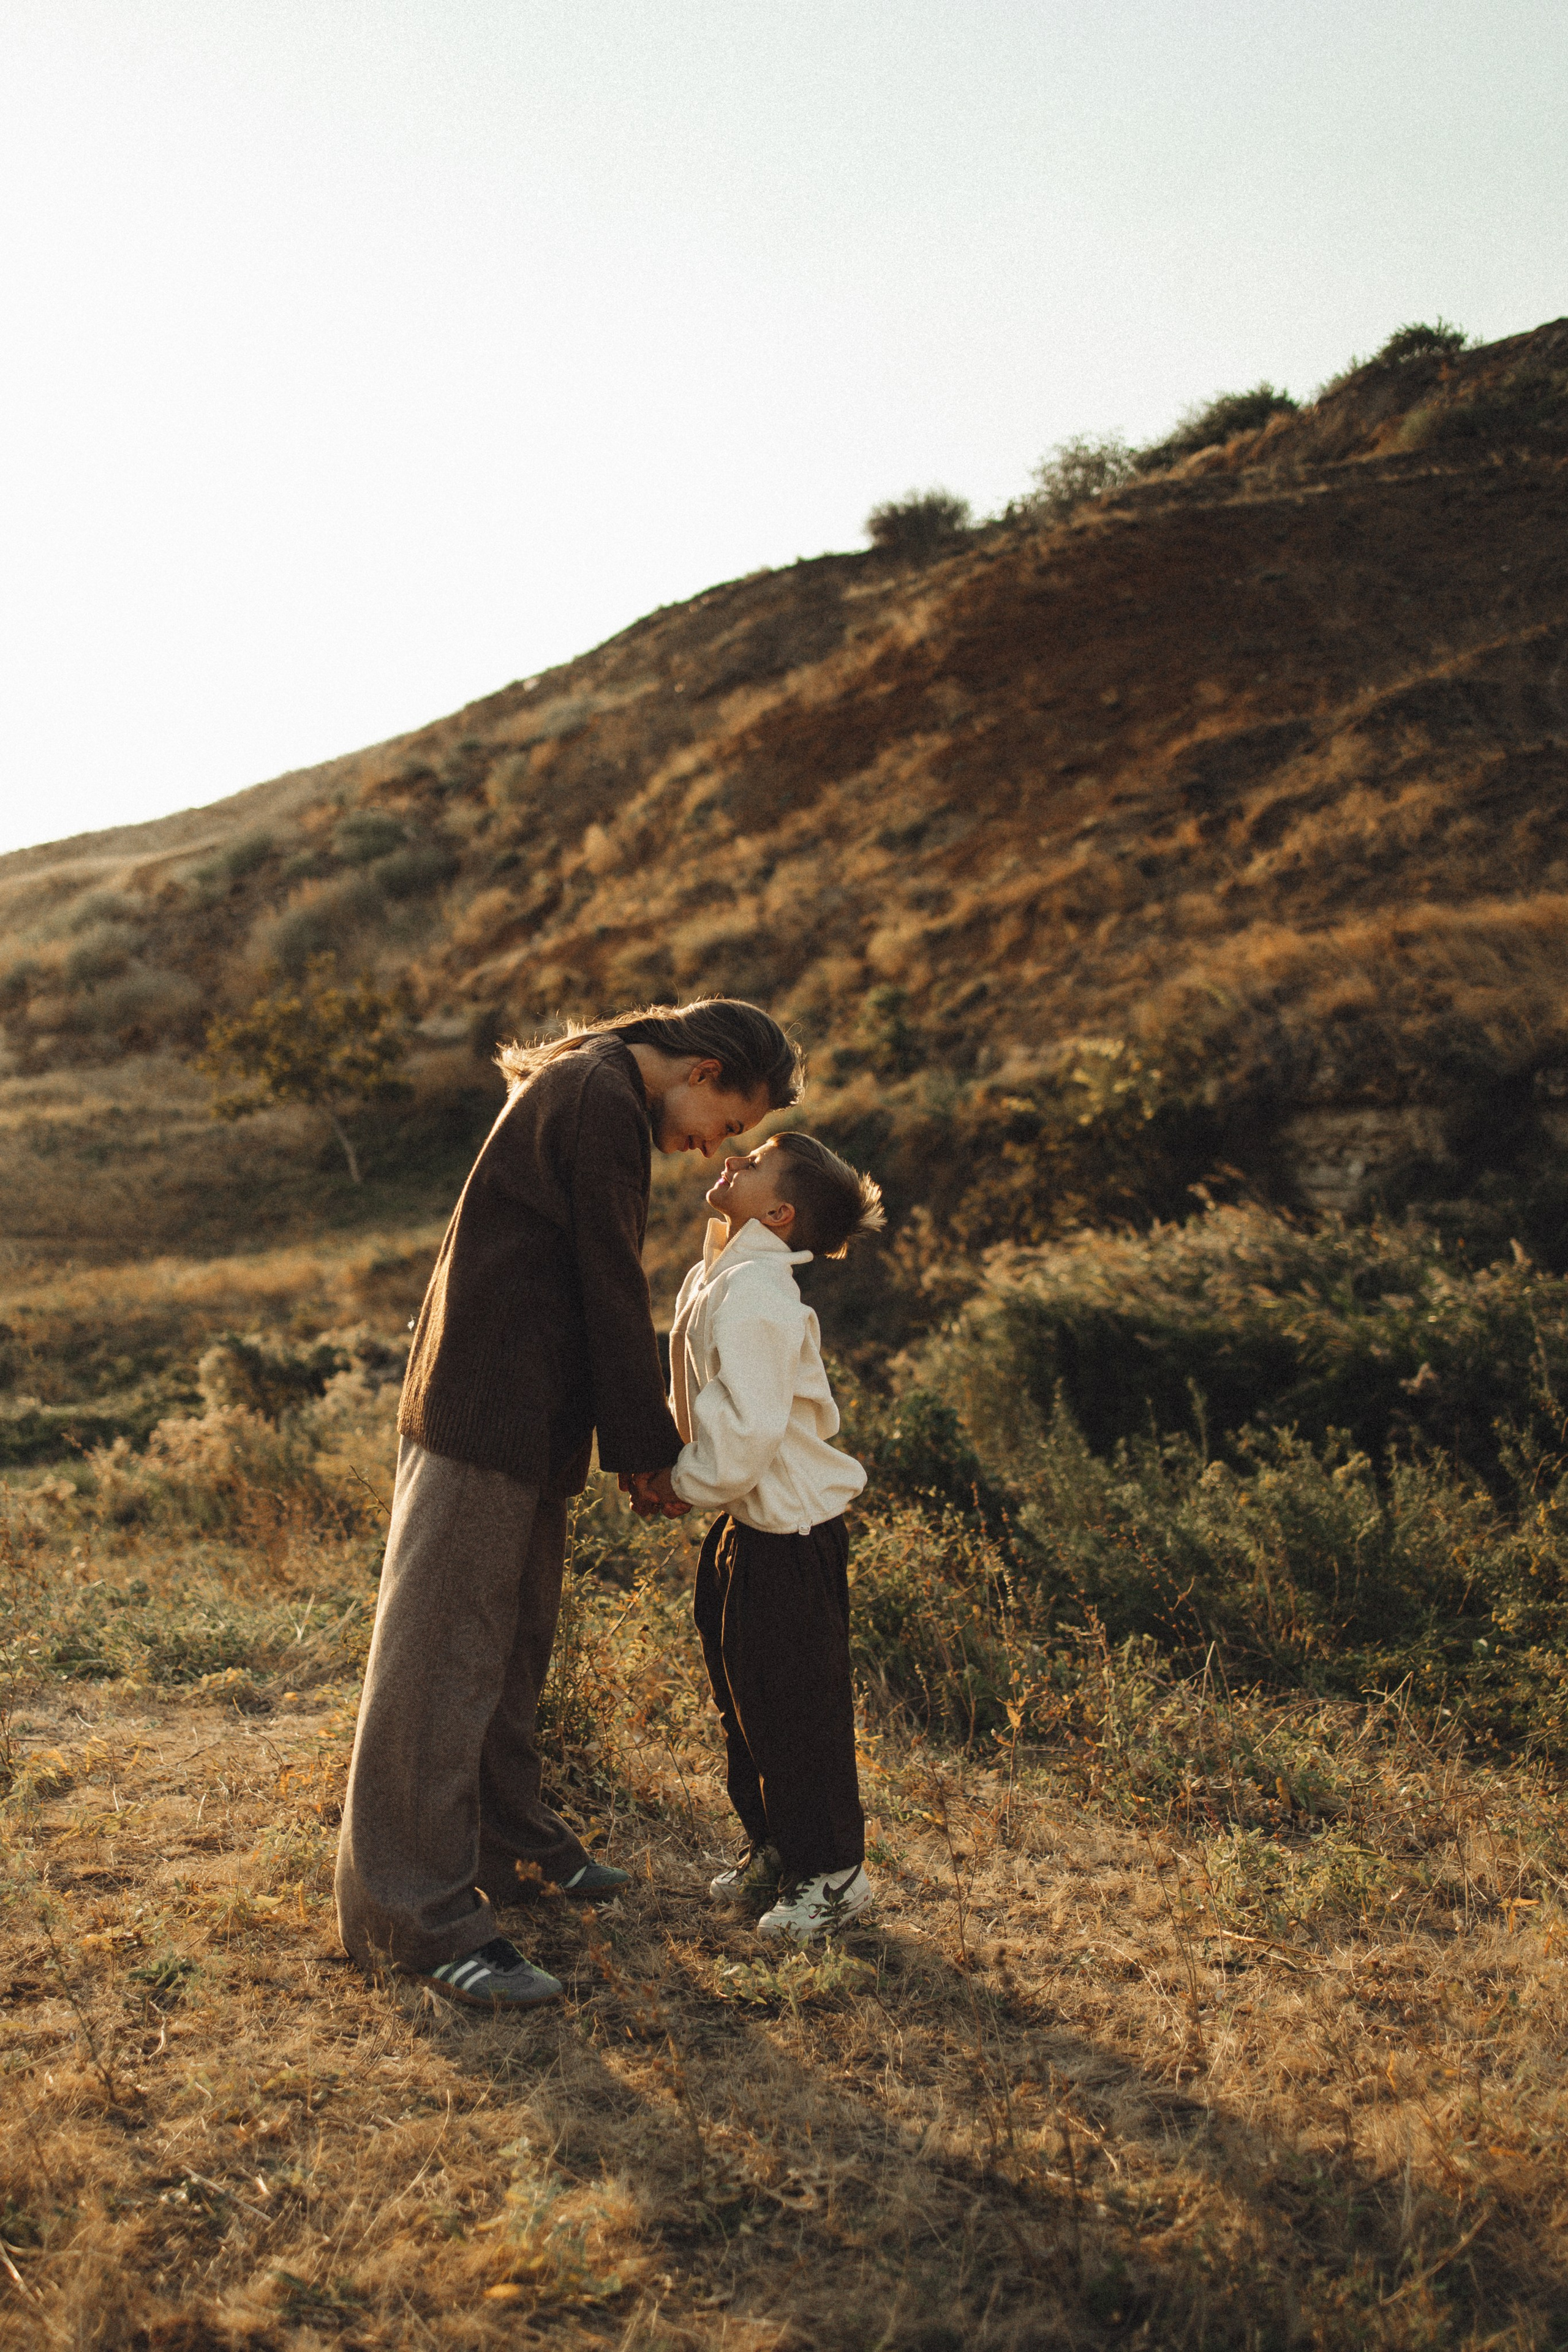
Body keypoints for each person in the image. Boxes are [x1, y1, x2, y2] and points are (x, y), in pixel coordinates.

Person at [334, 998, 801, 2009]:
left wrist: (619, 1438)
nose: (709, 1148)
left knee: (508, 1648)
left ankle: (510, 1847)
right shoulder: (599, 1096)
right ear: (703, 1070)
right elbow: (608, 1280)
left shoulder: (596, 1086)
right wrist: (647, 1452)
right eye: (723, 1124)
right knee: (440, 1662)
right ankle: (413, 1918)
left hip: (523, 1411)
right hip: (486, 1410)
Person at [668, 1131, 886, 1942]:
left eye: (754, 1163)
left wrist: (679, 1483)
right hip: (749, 1529)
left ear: (781, 1213)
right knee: (745, 1703)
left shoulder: (760, 1292)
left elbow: (749, 1429)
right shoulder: (725, 1272)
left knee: (798, 1709)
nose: (732, 1158)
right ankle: (777, 1847)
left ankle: (834, 1874)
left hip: (792, 1536)